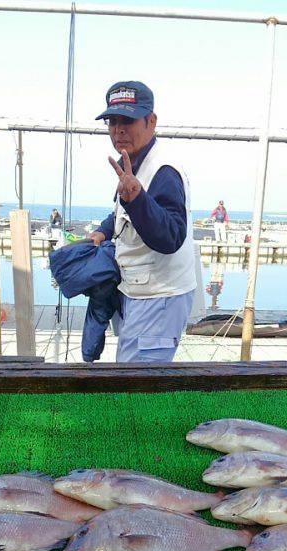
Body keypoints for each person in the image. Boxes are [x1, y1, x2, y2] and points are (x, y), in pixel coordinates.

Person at [90, 80, 196, 363]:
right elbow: (121, 216)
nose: (118, 129)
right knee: (130, 371)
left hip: (159, 296)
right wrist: (102, 232)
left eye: (129, 120)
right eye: (112, 121)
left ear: (151, 122)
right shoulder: (133, 164)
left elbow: (172, 236)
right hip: (138, 290)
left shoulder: (164, 171)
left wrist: (136, 198)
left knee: (136, 383)